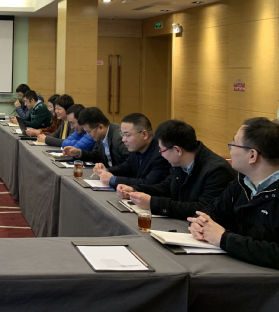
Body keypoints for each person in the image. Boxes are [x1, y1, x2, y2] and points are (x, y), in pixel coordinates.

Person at [188, 117, 279, 269]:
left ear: (252, 155)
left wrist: (225, 239)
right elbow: (212, 211)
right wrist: (199, 224)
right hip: (236, 266)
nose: (230, 149)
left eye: (233, 144)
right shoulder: (241, 182)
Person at [116, 119, 235, 220]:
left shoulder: (217, 171)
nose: (161, 154)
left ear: (177, 150)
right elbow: (166, 187)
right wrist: (134, 189)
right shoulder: (178, 163)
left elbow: (202, 209)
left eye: (162, 150)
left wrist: (153, 203)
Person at [92, 113, 170, 189]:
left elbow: (148, 183)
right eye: (122, 135)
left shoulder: (161, 153)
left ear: (144, 134)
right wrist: (105, 170)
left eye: (127, 135)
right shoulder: (136, 147)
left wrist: (113, 180)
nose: (123, 139)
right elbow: (126, 167)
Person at [63, 107, 129, 167]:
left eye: (89, 131)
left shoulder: (119, 138)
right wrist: (78, 152)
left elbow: (129, 164)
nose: (88, 134)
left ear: (100, 127)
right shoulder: (100, 136)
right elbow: (96, 155)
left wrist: (108, 171)